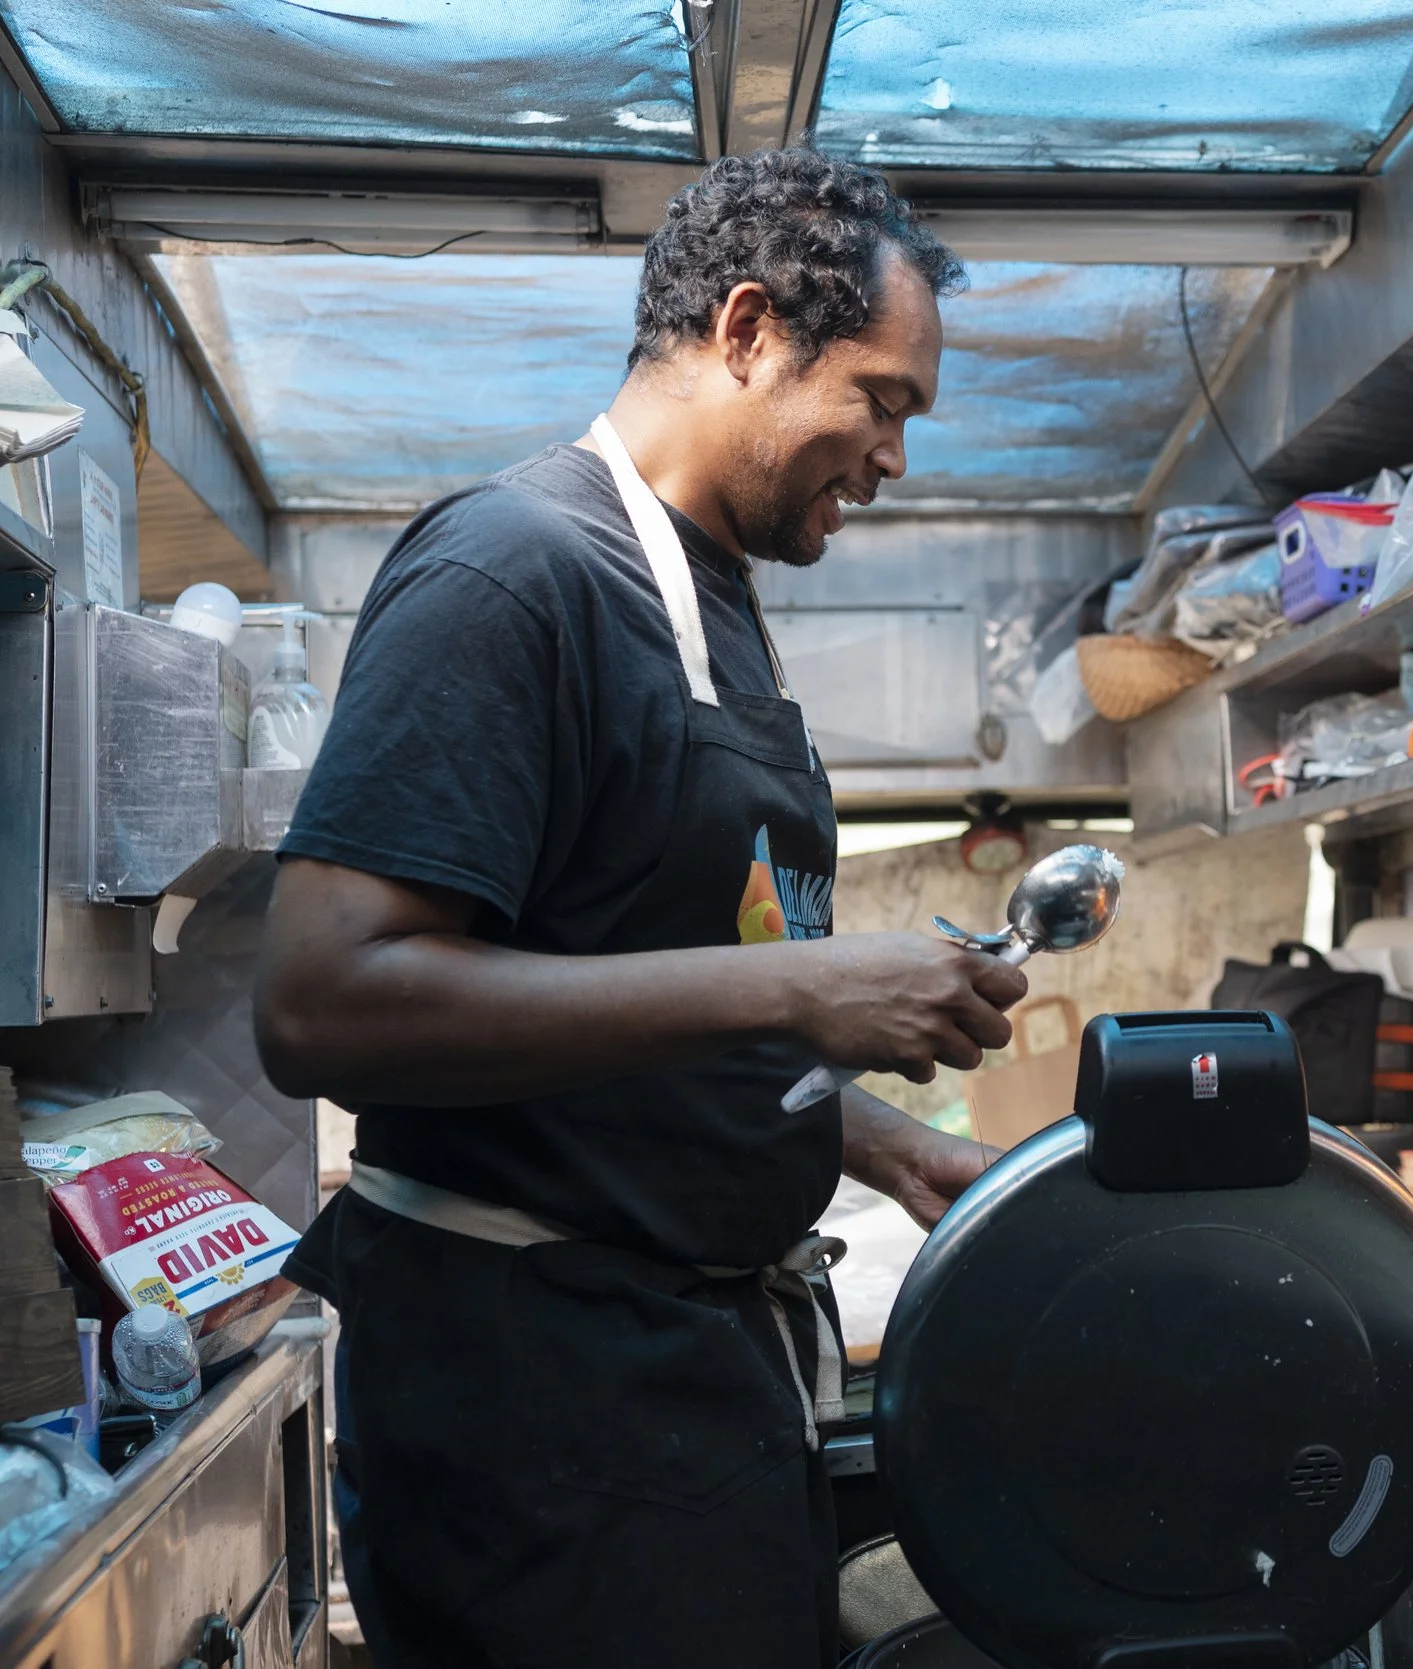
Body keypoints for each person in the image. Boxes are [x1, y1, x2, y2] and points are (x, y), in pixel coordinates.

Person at [253, 150, 1022, 1668]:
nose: (893, 459)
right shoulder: (515, 571)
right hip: (540, 1414)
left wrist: (886, 1145)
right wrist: (805, 992)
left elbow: (616, 979)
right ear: (747, 331)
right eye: (881, 399)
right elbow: (321, 1001)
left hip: (687, 1382)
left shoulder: (718, 603)